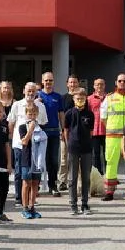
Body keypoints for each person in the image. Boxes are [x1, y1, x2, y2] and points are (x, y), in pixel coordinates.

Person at [8, 82, 48, 209]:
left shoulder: (40, 106)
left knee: (34, 175)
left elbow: (43, 124)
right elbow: (11, 122)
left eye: (33, 91)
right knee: (20, 172)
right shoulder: (17, 104)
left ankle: (31, 201)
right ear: (24, 91)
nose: (31, 93)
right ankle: (19, 198)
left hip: (35, 146)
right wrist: (11, 139)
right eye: (28, 91)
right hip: (19, 143)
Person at [100, 73, 125, 200]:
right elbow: (103, 118)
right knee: (111, 163)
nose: (122, 83)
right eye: (120, 81)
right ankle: (109, 192)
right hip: (112, 136)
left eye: (124, 81)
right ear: (116, 82)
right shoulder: (108, 99)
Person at [63, 87, 95, 215]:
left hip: (86, 148)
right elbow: (66, 130)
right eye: (77, 98)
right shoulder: (69, 113)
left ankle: (85, 204)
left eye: (82, 98)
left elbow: (91, 132)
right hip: (73, 148)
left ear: (85, 99)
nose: (80, 100)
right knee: (72, 178)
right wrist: (68, 143)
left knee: (86, 177)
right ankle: (73, 204)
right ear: (74, 99)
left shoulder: (90, 114)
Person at [16, 101, 48, 219]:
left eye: (34, 114)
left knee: (35, 183)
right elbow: (24, 141)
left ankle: (32, 206)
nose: (32, 116)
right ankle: (24, 208)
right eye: (30, 114)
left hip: (37, 160)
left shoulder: (40, 127)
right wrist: (30, 130)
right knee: (26, 183)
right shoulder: (22, 126)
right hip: (26, 158)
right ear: (26, 114)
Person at [38, 71, 65, 197]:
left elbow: (61, 114)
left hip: (54, 132)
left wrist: (63, 129)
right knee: (39, 159)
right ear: (42, 81)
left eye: (50, 80)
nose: (48, 82)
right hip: (40, 132)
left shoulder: (58, 97)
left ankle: (52, 185)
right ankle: (36, 184)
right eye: (46, 80)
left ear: (53, 82)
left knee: (53, 160)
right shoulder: (37, 96)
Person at [86, 78, 107, 176]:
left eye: (101, 84)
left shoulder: (109, 98)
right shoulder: (89, 99)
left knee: (108, 155)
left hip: (107, 130)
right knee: (96, 155)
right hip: (94, 131)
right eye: (97, 84)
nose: (99, 86)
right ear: (94, 86)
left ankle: (109, 175)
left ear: (104, 85)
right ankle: (98, 175)